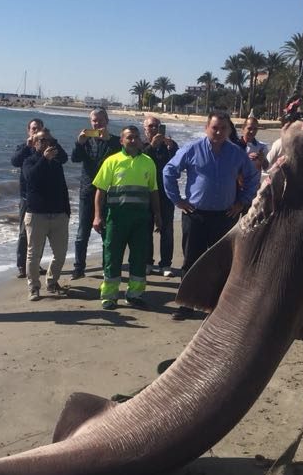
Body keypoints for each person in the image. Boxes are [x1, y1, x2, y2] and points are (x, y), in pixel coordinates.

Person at [163, 112, 260, 320]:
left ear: (229, 130)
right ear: (207, 127)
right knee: (191, 261)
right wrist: (177, 200)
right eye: (215, 128)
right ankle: (186, 304)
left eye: (223, 128)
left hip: (225, 216)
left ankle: (216, 307)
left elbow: (252, 176)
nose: (218, 132)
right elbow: (169, 171)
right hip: (195, 214)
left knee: (221, 263)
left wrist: (242, 201)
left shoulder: (237, 153)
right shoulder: (192, 149)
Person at [92, 126, 162, 309]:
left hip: (140, 219)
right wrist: (97, 216)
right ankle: (109, 295)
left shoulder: (148, 162)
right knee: (112, 257)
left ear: (140, 140)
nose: (133, 140)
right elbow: (100, 192)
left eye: (136, 137)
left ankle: (134, 294)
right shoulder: (111, 161)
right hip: (116, 218)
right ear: (121, 141)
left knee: (139, 257)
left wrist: (158, 215)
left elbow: (154, 191)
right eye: (129, 138)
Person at [70, 108, 121, 280]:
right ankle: (79, 268)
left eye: (100, 120)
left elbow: (122, 159)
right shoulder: (86, 140)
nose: (96, 123)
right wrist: (79, 142)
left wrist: (107, 141)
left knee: (107, 232)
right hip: (87, 191)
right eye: (94, 121)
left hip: (109, 192)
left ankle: (107, 266)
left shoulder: (115, 141)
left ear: (107, 121)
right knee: (82, 232)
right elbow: (74, 159)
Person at [21, 129, 70, 301]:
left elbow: (65, 158)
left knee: (61, 253)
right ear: (34, 144)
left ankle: (52, 281)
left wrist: (67, 210)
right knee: (33, 254)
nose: (46, 144)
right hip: (37, 215)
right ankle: (34, 287)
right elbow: (31, 179)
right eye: (42, 141)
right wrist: (44, 159)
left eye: (48, 141)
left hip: (59, 215)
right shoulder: (29, 161)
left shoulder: (57, 161)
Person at [11, 118, 63, 278]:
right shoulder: (25, 147)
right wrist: (28, 146)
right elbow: (15, 161)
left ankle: (35, 264)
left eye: (39, 129)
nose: (36, 131)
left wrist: (53, 140)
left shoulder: (50, 147)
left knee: (38, 235)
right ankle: (22, 265)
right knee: (24, 233)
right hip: (27, 196)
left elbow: (64, 159)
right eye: (33, 129)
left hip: (45, 199)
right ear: (29, 131)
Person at [142, 115, 179, 277]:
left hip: (166, 193)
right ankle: (147, 262)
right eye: (151, 126)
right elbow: (140, 161)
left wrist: (172, 148)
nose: (154, 129)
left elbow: (177, 167)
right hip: (147, 194)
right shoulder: (142, 146)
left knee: (167, 230)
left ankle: (165, 264)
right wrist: (152, 146)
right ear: (145, 129)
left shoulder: (170, 146)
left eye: (157, 126)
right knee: (146, 230)